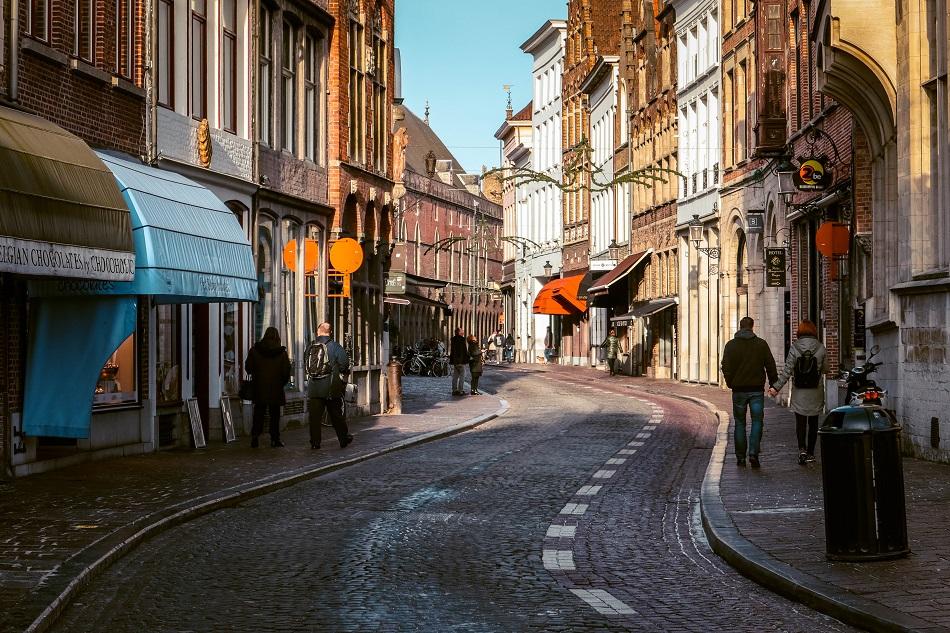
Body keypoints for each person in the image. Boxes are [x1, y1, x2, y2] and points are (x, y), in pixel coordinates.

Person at [721, 316, 778, 468]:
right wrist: (774, 384)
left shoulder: (731, 346)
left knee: (739, 423)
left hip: (738, 390)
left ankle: (740, 458)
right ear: (752, 327)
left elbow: (725, 366)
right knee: (757, 421)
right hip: (756, 390)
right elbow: (770, 365)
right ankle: (753, 453)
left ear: (740, 327)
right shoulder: (761, 344)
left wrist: (730, 383)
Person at [769, 320, 826, 465]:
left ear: (799, 332)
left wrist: (776, 387)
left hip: (799, 391)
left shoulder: (794, 348)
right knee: (813, 423)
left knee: (800, 422)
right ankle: (811, 453)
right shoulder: (821, 348)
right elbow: (826, 369)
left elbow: (787, 371)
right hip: (816, 390)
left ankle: (802, 450)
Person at [306, 322, 353, 450]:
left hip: (314, 388)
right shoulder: (335, 346)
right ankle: (343, 439)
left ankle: (315, 443)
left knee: (314, 417)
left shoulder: (311, 346)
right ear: (330, 332)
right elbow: (344, 364)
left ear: (318, 332)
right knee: (336, 415)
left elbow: (307, 364)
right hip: (330, 387)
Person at [245, 327, 292, 448]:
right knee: (274, 415)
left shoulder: (255, 350)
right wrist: (280, 383)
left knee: (258, 413)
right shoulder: (281, 353)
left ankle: (255, 437)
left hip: (259, 388)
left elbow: (248, 368)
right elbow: (286, 372)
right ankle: (274, 439)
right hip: (275, 388)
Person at [449, 327, 468, 396]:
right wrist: (464, 360)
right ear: (459, 332)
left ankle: (454, 390)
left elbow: (453, 351)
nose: (463, 331)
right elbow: (463, 351)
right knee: (462, 375)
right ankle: (460, 390)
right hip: (460, 361)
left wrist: (453, 360)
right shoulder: (461, 339)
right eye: (462, 331)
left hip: (454, 361)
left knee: (455, 376)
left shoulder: (453, 339)